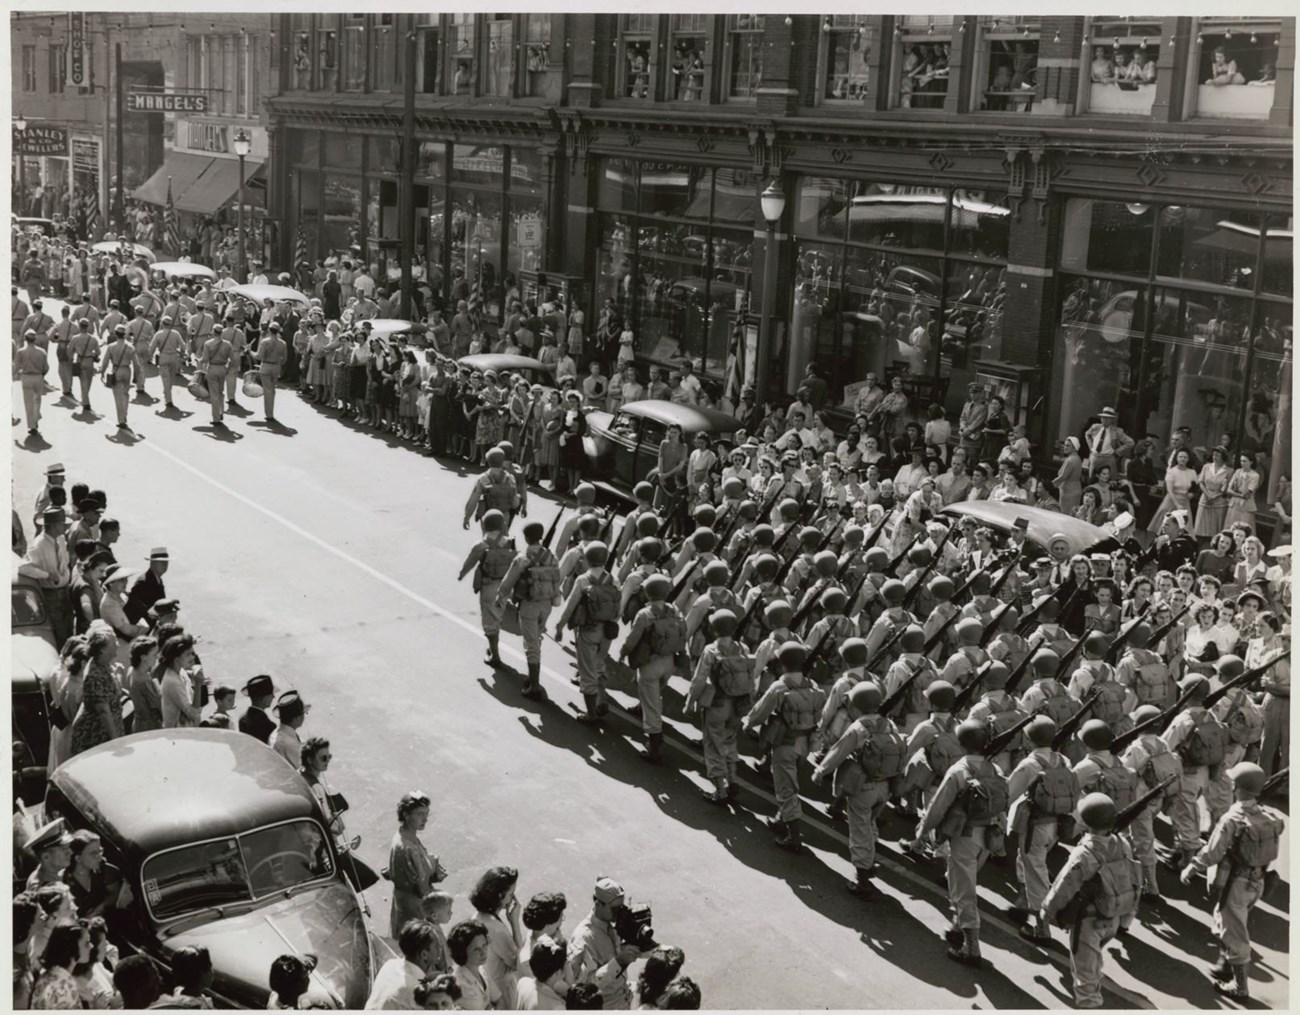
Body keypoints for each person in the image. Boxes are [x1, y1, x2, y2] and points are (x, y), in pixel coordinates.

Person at [916, 720, 1007, 967]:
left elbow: (938, 807)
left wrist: (922, 831)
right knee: (966, 881)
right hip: (988, 836)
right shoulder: (995, 770)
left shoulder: (959, 770)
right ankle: (958, 926)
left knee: (963, 890)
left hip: (965, 837)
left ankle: (971, 947)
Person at [1041, 792, 1140, 1009]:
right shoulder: (1123, 843)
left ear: (1085, 821)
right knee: (1090, 964)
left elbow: (1064, 886)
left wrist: (1047, 911)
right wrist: (1127, 917)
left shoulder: (1085, 853)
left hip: (1089, 922)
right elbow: (1133, 879)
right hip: (1113, 917)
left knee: (1086, 986)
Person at [741, 642, 827, 851]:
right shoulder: (814, 687)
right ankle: (781, 819)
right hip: (804, 744)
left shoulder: (780, 687)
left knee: (785, 790)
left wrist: (748, 724)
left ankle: (794, 836)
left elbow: (761, 711)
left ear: (781, 663)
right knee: (791, 781)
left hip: (785, 744)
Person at [554, 541, 621, 724]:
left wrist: (560, 626)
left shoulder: (583, 580)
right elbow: (618, 609)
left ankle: (591, 714)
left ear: (586, 560)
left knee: (586, 671)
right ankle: (602, 699)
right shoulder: (614, 580)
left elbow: (570, 606)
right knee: (598, 664)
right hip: (607, 631)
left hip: (588, 630)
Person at [567, 877, 642, 1010]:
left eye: (621, 907)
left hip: (624, 994)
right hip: (607, 1004)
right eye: (615, 909)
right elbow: (583, 988)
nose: (620, 913)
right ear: (598, 904)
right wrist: (618, 962)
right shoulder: (584, 938)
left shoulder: (613, 922)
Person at [458, 509, 516, 667]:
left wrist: (462, 574)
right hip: (506, 586)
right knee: (499, 613)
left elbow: (470, 562)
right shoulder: (509, 542)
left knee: (490, 621)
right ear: (503, 524)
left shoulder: (481, 545)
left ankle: (494, 654)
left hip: (489, 586)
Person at [387, 791, 445, 939]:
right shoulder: (409, 848)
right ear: (406, 815)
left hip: (402, 905)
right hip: (414, 910)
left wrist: (429, 861)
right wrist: (433, 873)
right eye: (420, 814)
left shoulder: (403, 835)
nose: (425, 819)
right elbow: (422, 889)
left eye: (427, 814)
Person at [472, 866, 524, 1009]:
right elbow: (519, 963)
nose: (512, 898)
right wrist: (514, 923)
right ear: (500, 895)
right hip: (503, 993)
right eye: (511, 894)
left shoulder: (478, 916)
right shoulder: (496, 928)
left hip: (488, 988)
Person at [367, 919, 445, 1010]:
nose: (440, 948)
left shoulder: (390, 964)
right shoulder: (418, 991)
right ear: (424, 954)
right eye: (436, 946)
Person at [70, 627, 124, 754]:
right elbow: (103, 711)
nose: (118, 644)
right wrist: (116, 742)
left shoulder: (105, 665)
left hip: (107, 732)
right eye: (114, 642)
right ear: (102, 649)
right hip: (96, 736)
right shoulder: (95, 675)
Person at [30, 921, 91, 1009]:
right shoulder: (64, 988)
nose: (91, 946)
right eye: (86, 943)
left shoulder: (46, 976)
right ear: (71, 948)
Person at [448, 918, 501, 1010]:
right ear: (462, 952)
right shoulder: (460, 985)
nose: (483, 952)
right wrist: (490, 1007)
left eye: (484, 945)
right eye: (476, 949)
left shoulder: (482, 968)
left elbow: (499, 1000)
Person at [159, 633, 203, 728]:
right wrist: (198, 684)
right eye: (188, 655)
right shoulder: (172, 682)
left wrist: (192, 675)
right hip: (177, 736)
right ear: (176, 659)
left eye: (192, 653)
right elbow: (193, 714)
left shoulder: (180, 671)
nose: (192, 657)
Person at [14, 330, 49, 437]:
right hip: (38, 377)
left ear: (25, 339)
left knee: (28, 402)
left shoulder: (21, 352)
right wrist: (42, 374)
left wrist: (13, 375)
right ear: (35, 339)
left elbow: (16, 366)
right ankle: (36, 417)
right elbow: (46, 367)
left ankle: (32, 425)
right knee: (37, 400)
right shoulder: (41, 351)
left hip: (26, 377)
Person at [254, 321, 289, 423]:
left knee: (268, 391)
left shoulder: (265, 342)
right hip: (276, 366)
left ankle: (269, 414)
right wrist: (278, 364)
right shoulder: (282, 343)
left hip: (266, 365)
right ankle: (270, 412)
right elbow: (285, 359)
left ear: (269, 330)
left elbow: (258, 356)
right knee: (272, 390)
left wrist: (250, 352)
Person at [269, 690, 310, 769]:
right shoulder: (291, 744)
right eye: (302, 714)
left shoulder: (275, 734)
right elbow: (304, 770)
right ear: (296, 718)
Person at [1225, 452, 1261, 529]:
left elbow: (1246, 494)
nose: (1242, 463)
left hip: (1246, 506)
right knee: (1230, 527)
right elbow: (1228, 490)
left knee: (1243, 528)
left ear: (1251, 462)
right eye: (1241, 461)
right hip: (1234, 504)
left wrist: (1245, 480)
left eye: (1245, 461)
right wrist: (1239, 495)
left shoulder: (1255, 476)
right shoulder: (1238, 471)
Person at [238, 673, 277, 742]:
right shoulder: (268, 725)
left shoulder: (242, 719)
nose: (273, 697)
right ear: (264, 698)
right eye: (271, 694)